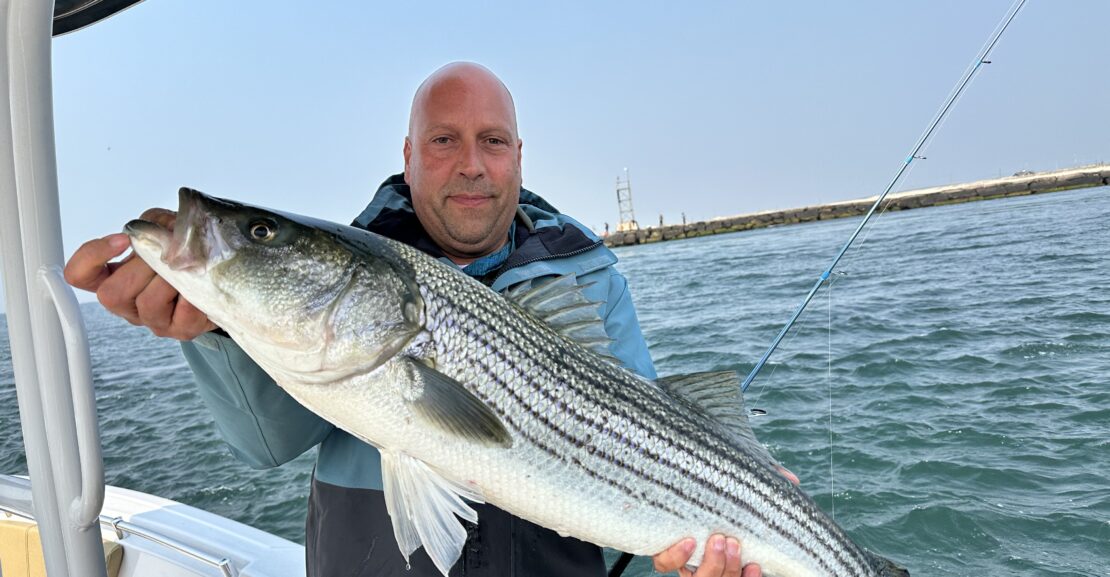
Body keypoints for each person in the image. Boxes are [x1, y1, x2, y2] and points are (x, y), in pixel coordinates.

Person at [64, 62, 761, 577]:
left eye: (492, 141)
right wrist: (216, 325)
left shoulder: (587, 272)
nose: (471, 166)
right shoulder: (356, 269)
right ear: (407, 155)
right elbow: (265, 443)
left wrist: (718, 523)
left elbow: (646, 421)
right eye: (443, 141)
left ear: (519, 157)